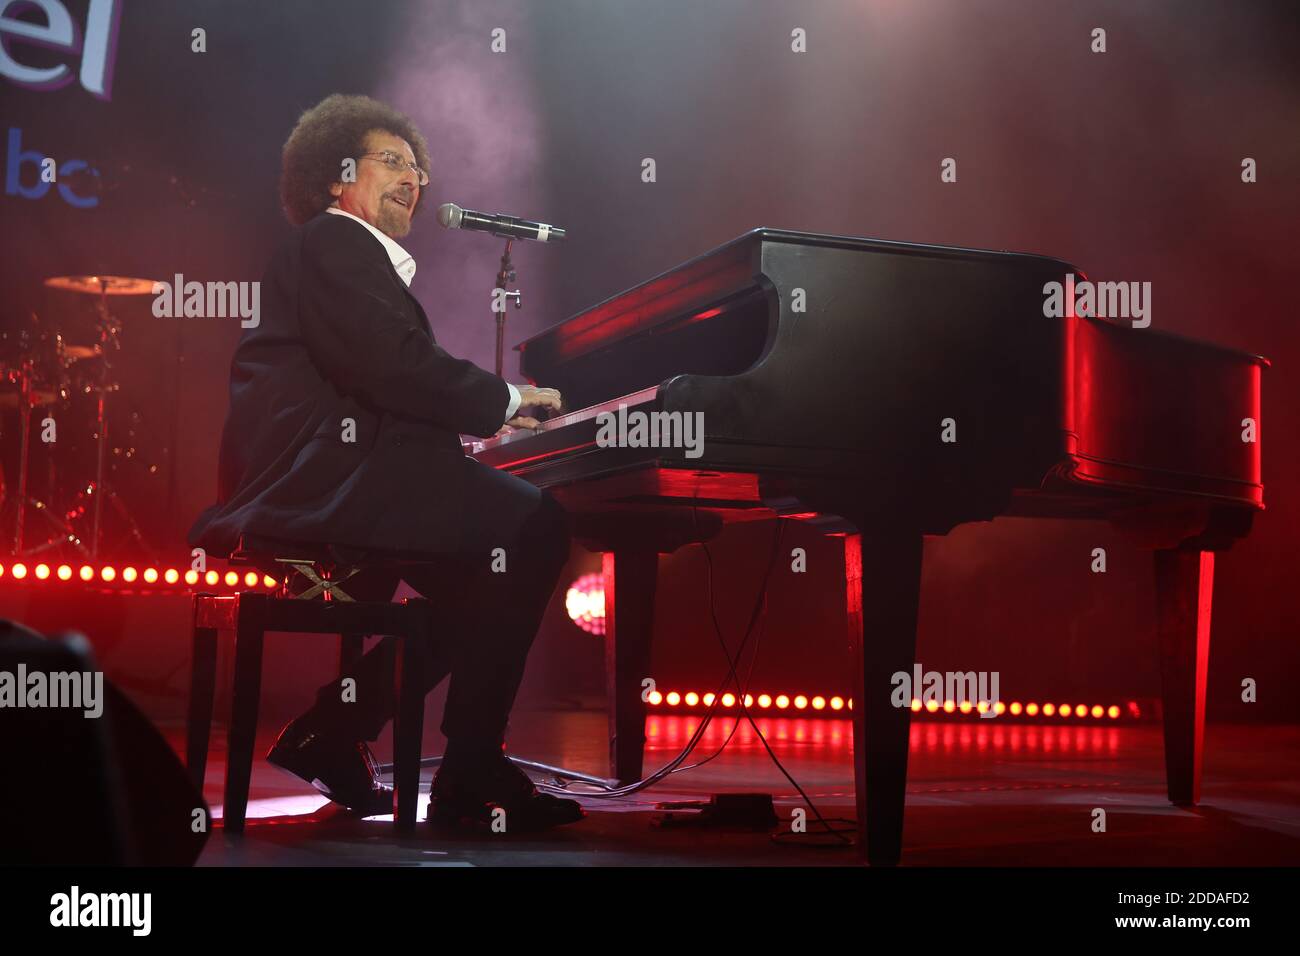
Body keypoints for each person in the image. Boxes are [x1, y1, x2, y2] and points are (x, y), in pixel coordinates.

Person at [188, 93, 583, 831]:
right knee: (536, 528)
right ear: (337, 176)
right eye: (392, 161)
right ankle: (467, 773)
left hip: (336, 475)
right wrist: (504, 400)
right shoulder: (335, 242)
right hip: (321, 485)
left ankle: (337, 733)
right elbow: (393, 365)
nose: (415, 179)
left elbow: (383, 372)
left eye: (418, 167)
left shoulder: (341, 258)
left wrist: (482, 415)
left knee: (484, 580)